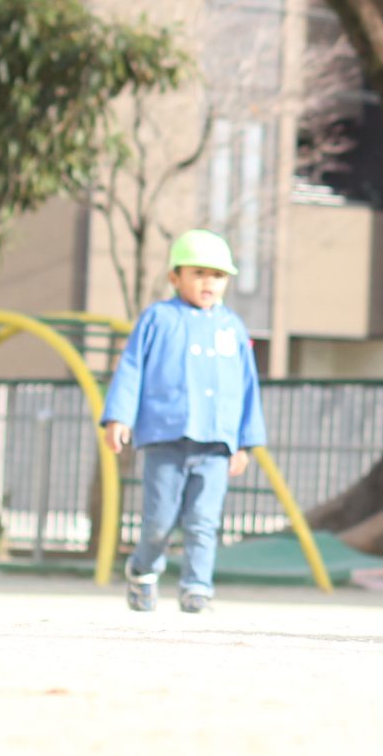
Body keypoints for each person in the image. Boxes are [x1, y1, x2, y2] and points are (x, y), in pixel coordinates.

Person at [101, 230, 264, 614]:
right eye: (199, 273)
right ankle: (142, 569)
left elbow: (247, 385)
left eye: (218, 275)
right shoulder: (158, 319)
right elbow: (132, 368)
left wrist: (245, 441)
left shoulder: (232, 328)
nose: (209, 282)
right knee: (160, 520)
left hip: (215, 441)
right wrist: (119, 417)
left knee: (203, 521)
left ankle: (197, 587)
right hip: (166, 436)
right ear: (175, 277)